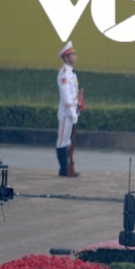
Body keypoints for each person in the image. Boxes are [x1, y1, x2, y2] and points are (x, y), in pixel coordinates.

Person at [56, 41, 82, 177]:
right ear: (66, 58)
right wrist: (72, 112)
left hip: (72, 112)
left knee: (68, 141)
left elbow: (74, 94)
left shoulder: (71, 73)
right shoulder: (64, 74)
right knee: (62, 141)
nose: (74, 57)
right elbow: (66, 96)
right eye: (72, 55)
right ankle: (63, 169)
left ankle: (67, 168)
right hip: (66, 113)